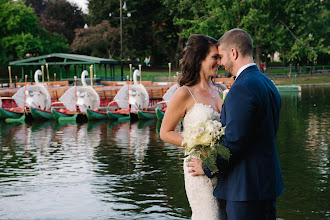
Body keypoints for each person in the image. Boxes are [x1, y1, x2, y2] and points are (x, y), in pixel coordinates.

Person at [188, 28, 284, 219]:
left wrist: (207, 166)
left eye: (222, 56)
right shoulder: (267, 83)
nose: (221, 62)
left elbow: (234, 141)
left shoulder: (241, 88)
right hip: (267, 185)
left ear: (234, 53)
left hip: (245, 189)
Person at [160, 34, 226, 219]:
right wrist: (195, 143)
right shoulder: (184, 93)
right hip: (198, 170)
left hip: (222, 168)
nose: (219, 62)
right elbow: (165, 132)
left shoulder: (220, 90)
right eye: (215, 57)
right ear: (199, 59)